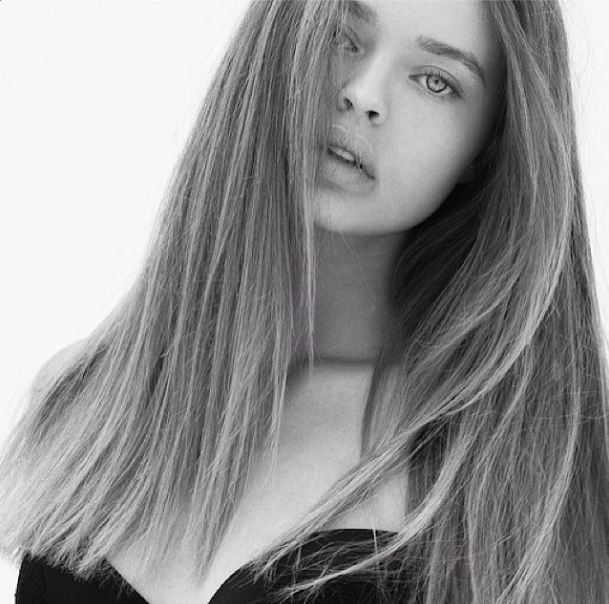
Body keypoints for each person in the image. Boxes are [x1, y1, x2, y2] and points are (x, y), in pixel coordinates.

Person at [3, 0, 608, 602]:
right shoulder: (85, 396)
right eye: (341, 36)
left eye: (435, 81)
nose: (363, 95)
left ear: (487, 148)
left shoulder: (516, 473)